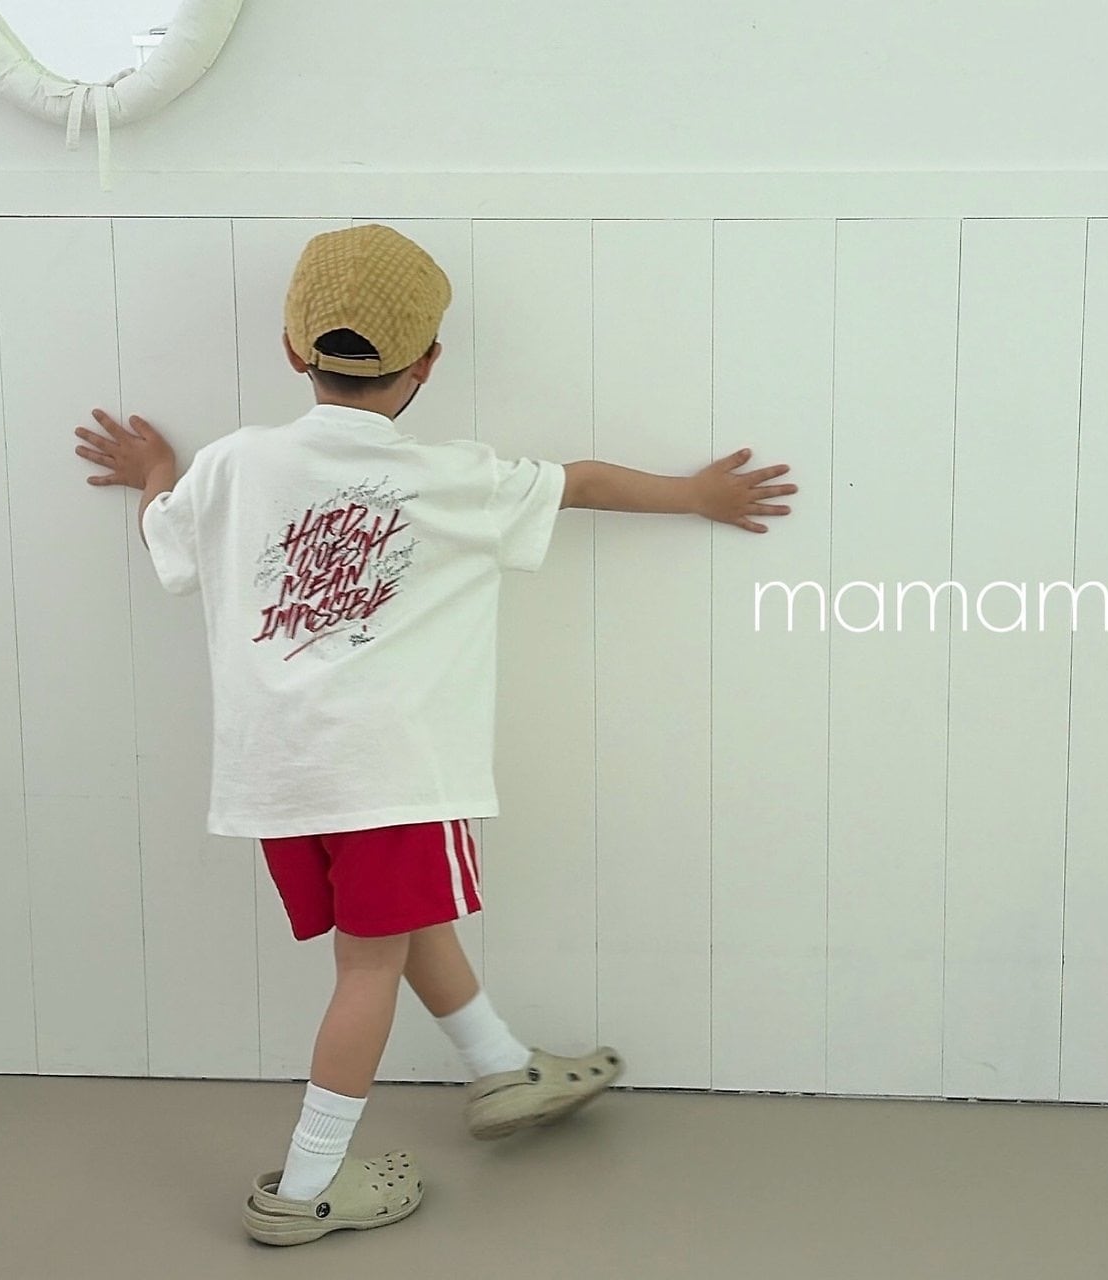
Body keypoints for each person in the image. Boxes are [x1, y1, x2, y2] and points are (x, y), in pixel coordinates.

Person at [72, 223, 797, 1248]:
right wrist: (695, 495)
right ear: (428, 362)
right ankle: (308, 1185)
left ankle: (503, 1067)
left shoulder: (233, 464)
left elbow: (166, 543)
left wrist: (155, 467)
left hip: (280, 780)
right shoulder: (454, 476)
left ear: (292, 348)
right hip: (393, 772)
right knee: (369, 966)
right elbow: (583, 481)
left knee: (400, 928)